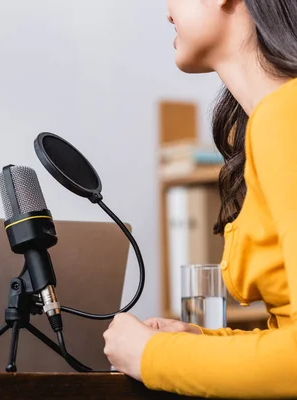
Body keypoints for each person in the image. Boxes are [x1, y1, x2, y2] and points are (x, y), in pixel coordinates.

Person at [103, 0, 297, 398]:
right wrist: (197, 342)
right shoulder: (272, 120)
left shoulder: (286, 117)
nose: (166, 11)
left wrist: (151, 354)